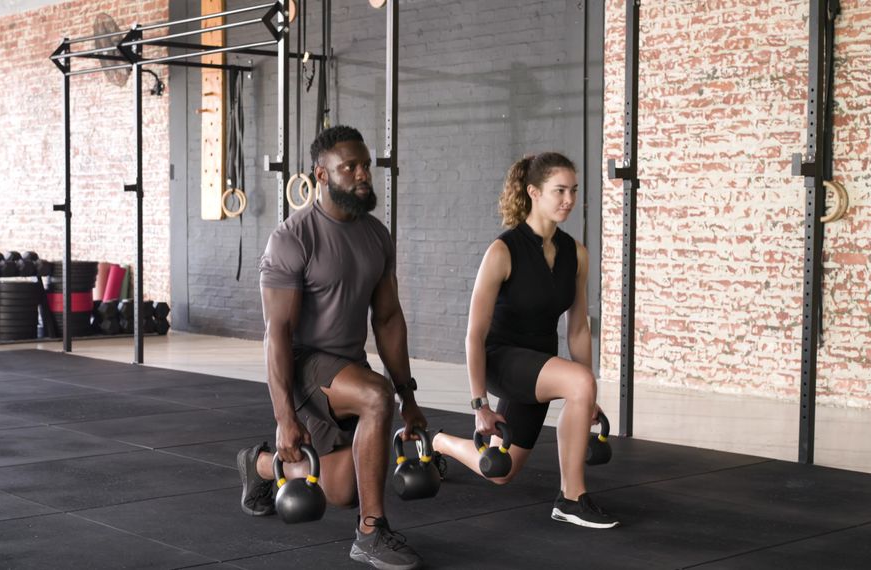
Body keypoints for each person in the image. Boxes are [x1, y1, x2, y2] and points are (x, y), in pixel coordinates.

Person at [238, 125, 427, 569]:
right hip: (306, 364)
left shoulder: (377, 236)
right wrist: (284, 417)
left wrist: (411, 398)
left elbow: (387, 318)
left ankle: (260, 465)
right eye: (350, 167)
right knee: (375, 395)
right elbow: (277, 333)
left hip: (347, 365)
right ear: (321, 175)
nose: (363, 174)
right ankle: (370, 533)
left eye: (366, 165)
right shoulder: (292, 238)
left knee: (344, 488)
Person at [431, 152, 619, 529]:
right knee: (580, 382)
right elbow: (474, 333)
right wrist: (479, 403)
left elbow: (578, 329)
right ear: (533, 192)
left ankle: (437, 443)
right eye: (559, 190)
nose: (568, 199)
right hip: (501, 359)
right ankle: (571, 498)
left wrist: (587, 398)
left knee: (502, 471)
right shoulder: (503, 251)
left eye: (574, 190)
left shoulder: (575, 254)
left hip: (539, 364)